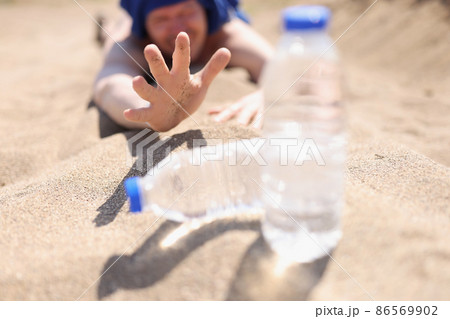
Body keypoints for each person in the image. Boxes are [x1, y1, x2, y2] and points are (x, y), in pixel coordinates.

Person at [93, 0, 273, 132]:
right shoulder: (133, 41)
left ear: (205, 11)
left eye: (186, 12)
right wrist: (151, 111)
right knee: (113, 35)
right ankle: (106, 28)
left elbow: (282, 68)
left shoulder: (226, 34)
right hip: (126, 24)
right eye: (161, 19)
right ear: (145, 27)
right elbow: (109, 83)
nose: (178, 29)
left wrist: (271, 94)